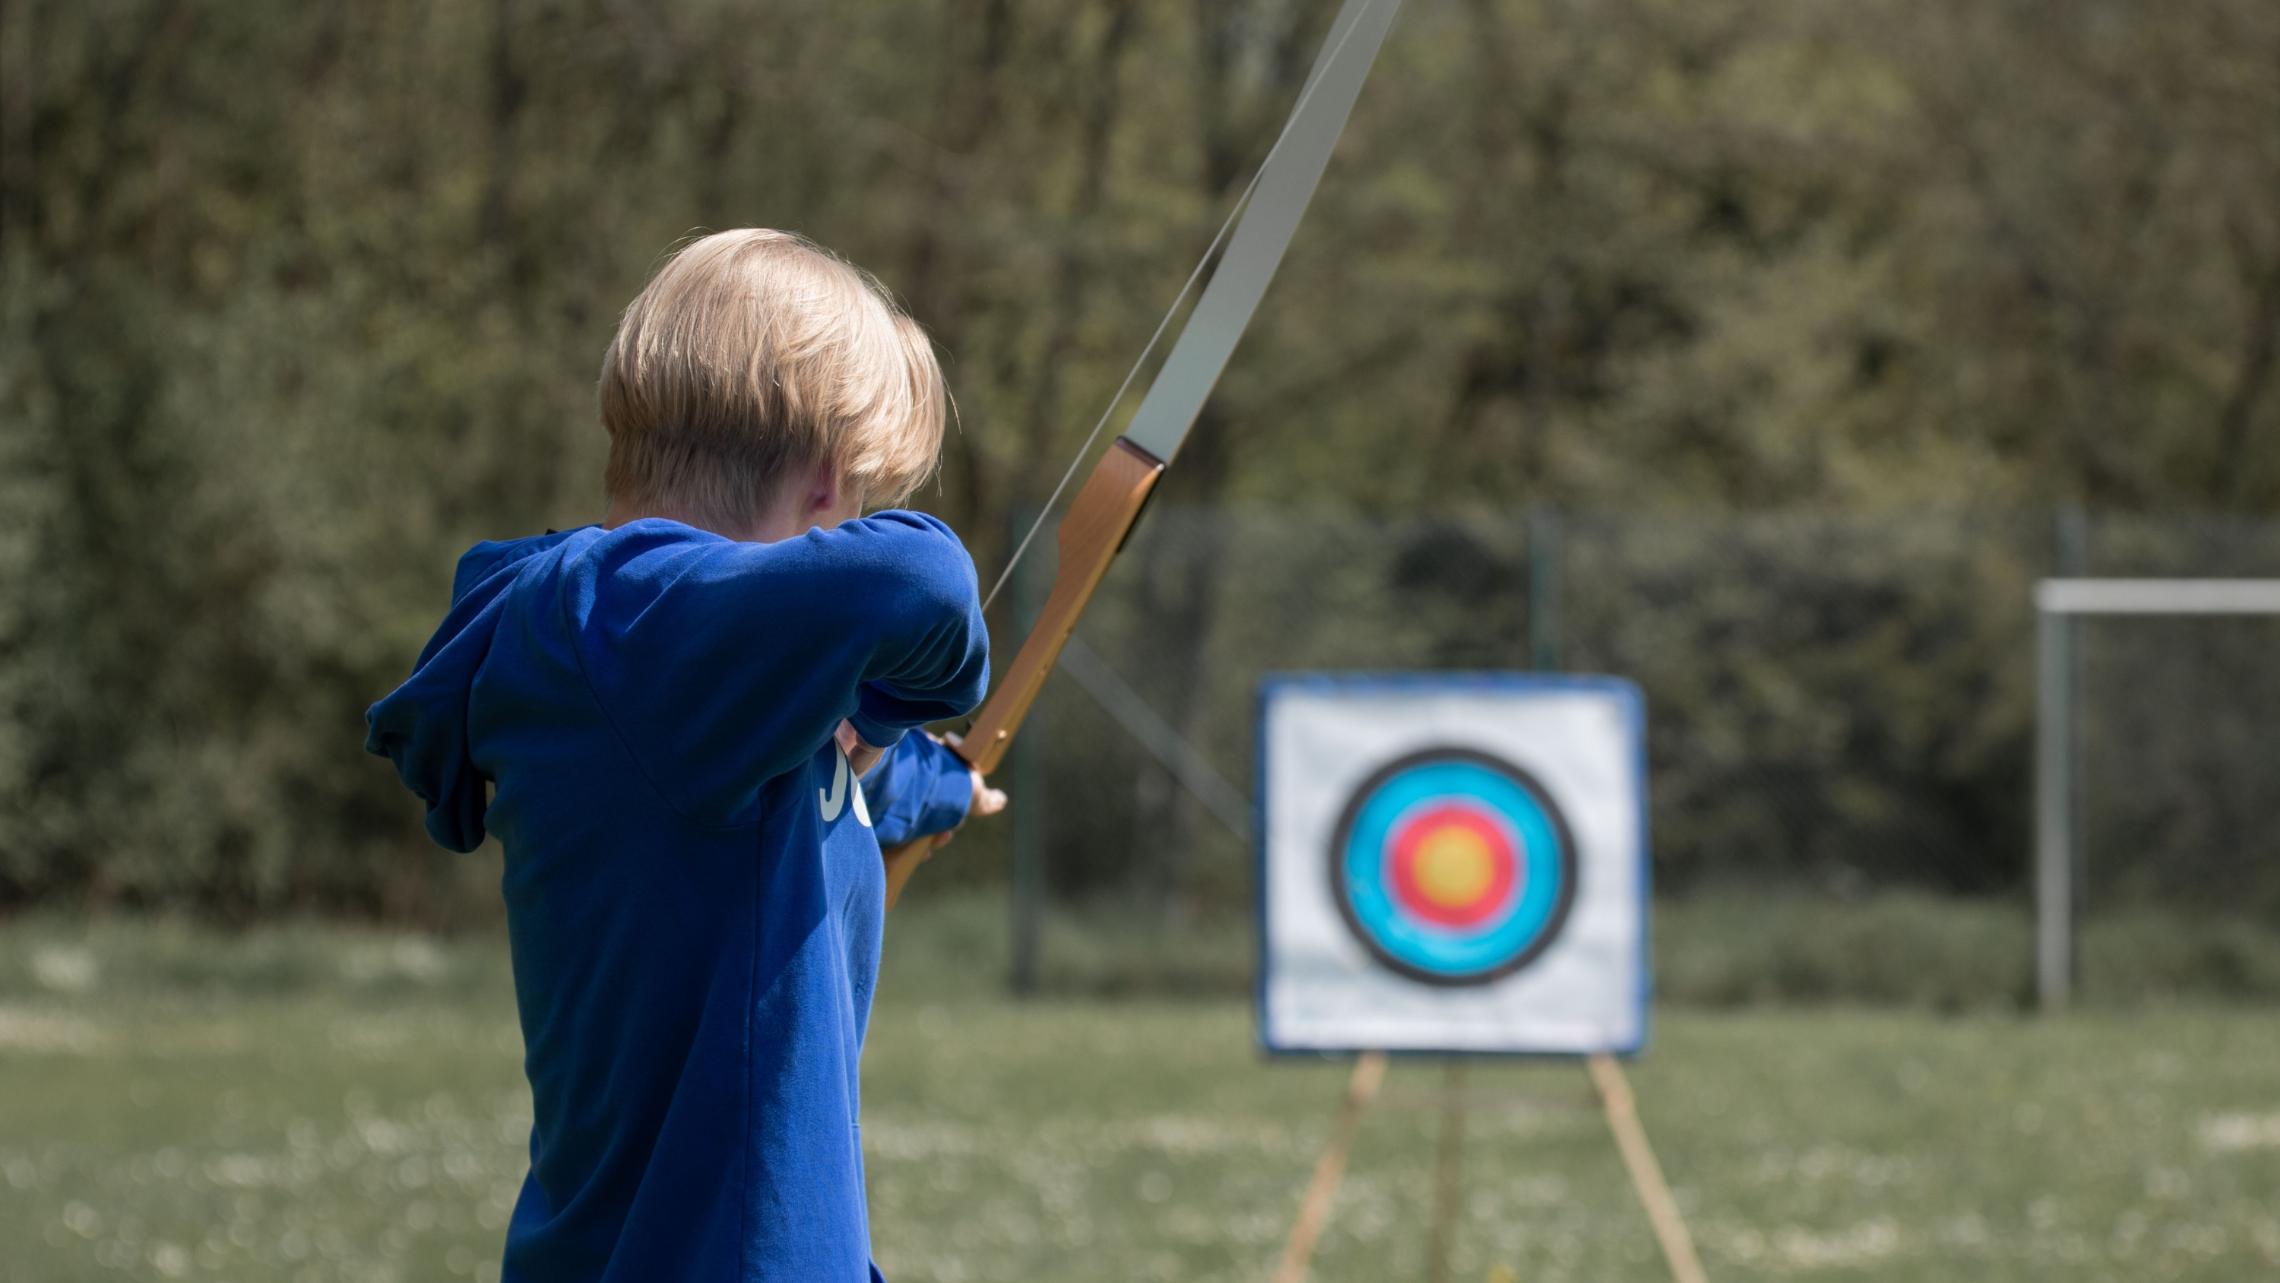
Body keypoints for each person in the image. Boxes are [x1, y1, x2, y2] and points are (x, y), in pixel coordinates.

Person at [366, 228, 1002, 1281]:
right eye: (871, 496)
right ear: (826, 487)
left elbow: (804, 787)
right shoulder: (638, 627)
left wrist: (929, 782)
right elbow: (924, 585)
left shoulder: (633, 659)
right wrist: (884, 708)